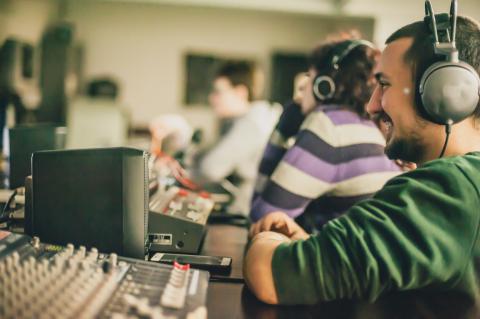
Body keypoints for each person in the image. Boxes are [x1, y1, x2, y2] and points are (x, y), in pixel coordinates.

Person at [244, 6, 480, 309]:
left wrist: (268, 241)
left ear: (443, 91)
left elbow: (269, 275)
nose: (371, 106)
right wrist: (314, 247)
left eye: (384, 85)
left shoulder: (447, 189)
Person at [250, 39, 400, 232]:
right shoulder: (365, 126)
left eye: (309, 77)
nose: (303, 89)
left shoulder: (330, 126)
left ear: (323, 85)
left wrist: (281, 133)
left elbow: (261, 219)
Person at [191, 61, 280, 215]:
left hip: (245, 213)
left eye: (218, 92)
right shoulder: (251, 118)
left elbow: (211, 168)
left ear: (240, 93)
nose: (212, 98)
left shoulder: (252, 124)